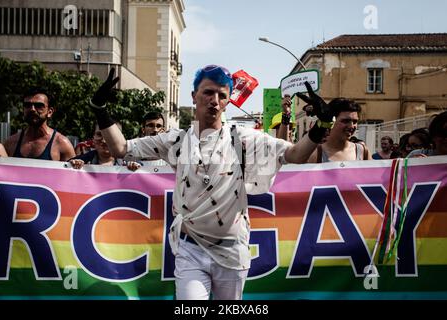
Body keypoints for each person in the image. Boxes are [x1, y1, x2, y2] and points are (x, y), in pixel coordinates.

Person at [88, 67, 334, 300]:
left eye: (222, 95)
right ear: (194, 96)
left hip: (231, 251)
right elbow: (121, 149)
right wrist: (100, 109)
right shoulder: (176, 141)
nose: (214, 100)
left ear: (227, 101)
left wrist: (321, 125)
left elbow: (294, 155)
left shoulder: (244, 139)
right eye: (208, 92)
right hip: (190, 250)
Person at [4, 88, 76, 161]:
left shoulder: (62, 144)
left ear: (50, 112)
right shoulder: (11, 143)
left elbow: (72, 171)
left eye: (39, 106)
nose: (32, 109)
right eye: (27, 105)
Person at [302, 97, 371, 163]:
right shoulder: (315, 153)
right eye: (345, 121)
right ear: (331, 121)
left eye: (355, 122)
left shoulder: (362, 151)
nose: (351, 126)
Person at [68, 122, 138, 169]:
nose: (104, 141)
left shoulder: (131, 164)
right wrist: (71, 167)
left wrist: (134, 172)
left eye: (110, 136)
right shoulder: (80, 161)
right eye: (99, 134)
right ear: (93, 137)